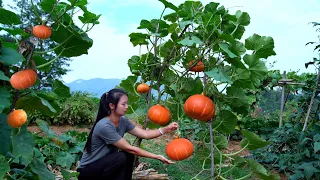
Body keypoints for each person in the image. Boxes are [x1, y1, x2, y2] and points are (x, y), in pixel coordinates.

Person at [77, 88, 179, 180]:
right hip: (87, 172)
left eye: (127, 104)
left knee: (128, 155)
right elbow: (130, 148)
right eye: (123, 104)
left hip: (105, 166)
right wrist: (157, 156)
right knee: (121, 156)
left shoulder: (123, 121)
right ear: (112, 106)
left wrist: (166, 129)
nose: (126, 107)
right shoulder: (104, 126)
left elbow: (145, 134)